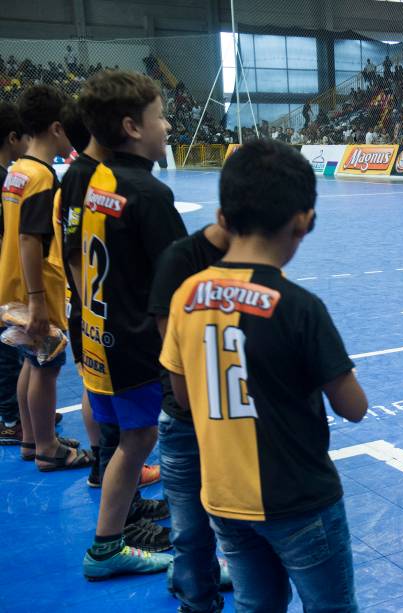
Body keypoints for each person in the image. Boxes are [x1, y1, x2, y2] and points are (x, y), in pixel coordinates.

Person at [160, 139, 368, 611]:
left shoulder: (186, 293)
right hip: (300, 500)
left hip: (223, 498)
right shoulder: (300, 307)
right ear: (304, 221)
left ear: (223, 218)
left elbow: (183, 396)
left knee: (256, 605)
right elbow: (353, 408)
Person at [74, 70, 187, 580]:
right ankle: (115, 548)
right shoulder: (150, 195)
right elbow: (179, 287)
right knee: (153, 443)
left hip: (100, 339)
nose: (167, 125)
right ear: (132, 126)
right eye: (159, 116)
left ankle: (108, 541)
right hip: (139, 348)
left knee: (129, 443)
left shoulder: (97, 180)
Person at [0, 85, 89, 470]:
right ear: (56, 128)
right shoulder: (40, 177)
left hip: (12, 284)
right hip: (34, 288)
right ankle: (48, 449)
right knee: (46, 367)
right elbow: (29, 237)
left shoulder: (16, 172)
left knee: (29, 362)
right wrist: (38, 298)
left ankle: (32, 437)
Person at [149, 220, 233, 612]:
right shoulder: (181, 259)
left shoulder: (254, 258)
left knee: (240, 529)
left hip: (233, 416)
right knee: (189, 531)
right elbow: (175, 357)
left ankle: (200, 580)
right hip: (189, 419)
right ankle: (196, 597)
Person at [0, 102, 30, 444]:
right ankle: (11, 418)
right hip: (5, 279)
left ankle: (21, 412)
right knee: (9, 353)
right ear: (12, 138)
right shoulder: (7, 180)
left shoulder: (9, 178)